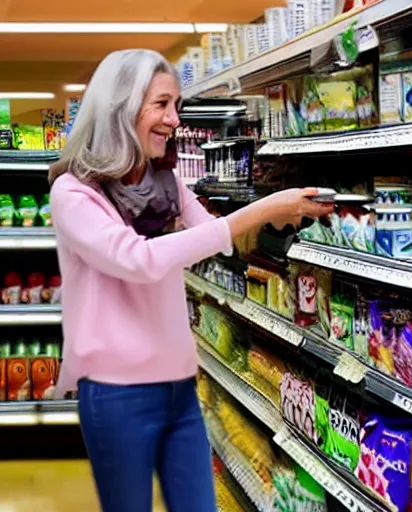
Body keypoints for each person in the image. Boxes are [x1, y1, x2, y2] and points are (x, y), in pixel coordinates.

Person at [48, 48, 333, 512]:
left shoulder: (167, 181)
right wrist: (259, 210)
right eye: (161, 105)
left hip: (178, 384)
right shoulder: (74, 193)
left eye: (176, 106)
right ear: (121, 106)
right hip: (116, 391)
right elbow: (137, 259)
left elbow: (214, 238)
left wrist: (279, 221)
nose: (174, 119)